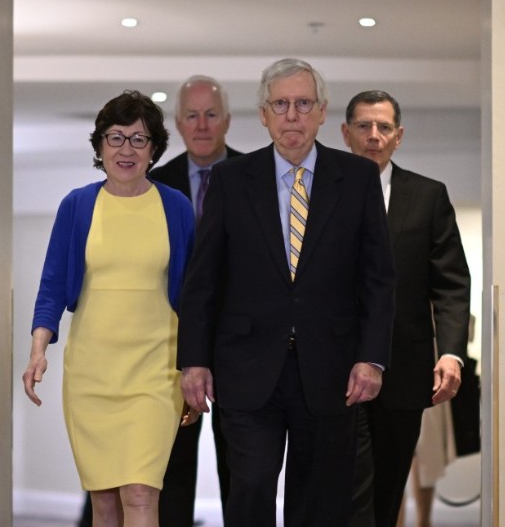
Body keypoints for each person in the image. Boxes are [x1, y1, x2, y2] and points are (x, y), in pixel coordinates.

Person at [177, 58, 396, 526]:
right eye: (281, 104)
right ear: (263, 114)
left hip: (333, 370)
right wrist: (194, 359)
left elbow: (378, 278)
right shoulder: (231, 180)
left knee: (319, 500)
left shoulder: (357, 179)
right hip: (247, 367)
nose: (292, 115)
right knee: (251, 485)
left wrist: (372, 357)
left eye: (303, 104)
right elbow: (203, 279)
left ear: (321, 113)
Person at [23, 90, 198, 527]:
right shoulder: (78, 205)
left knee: (140, 493)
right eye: (116, 138)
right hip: (92, 373)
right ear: (100, 145)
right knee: (103, 501)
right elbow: (51, 287)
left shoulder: (175, 206)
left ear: (154, 150)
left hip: (156, 372)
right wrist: (38, 349)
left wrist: (197, 365)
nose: (126, 149)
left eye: (139, 140)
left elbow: (196, 295)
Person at [341, 90, 472, 527]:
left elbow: (451, 283)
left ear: (399, 137)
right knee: (343, 487)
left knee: (386, 487)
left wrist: (451, 352)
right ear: (345, 134)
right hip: (332, 369)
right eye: (363, 126)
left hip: (403, 370)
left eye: (383, 128)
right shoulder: (320, 194)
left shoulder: (428, 196)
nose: (373, 136)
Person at [149, 75, 242, 526]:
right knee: (171, 472)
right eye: (192, 115)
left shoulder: (258, 178)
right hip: (170, 349)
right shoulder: (152, 185)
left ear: (226, 120)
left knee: (244, 474)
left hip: (244, 350)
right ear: (178, 124)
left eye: (211, 114)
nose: (202, 125)